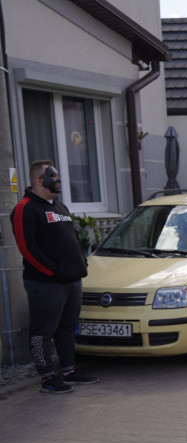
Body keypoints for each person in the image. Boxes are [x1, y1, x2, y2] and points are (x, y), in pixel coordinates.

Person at [11, 160, 97, 393]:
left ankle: (68, 370)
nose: (59, 181)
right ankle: (48, 378)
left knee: (67, 327)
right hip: (45, 283)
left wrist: (81, 262)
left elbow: (72, 239)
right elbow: (27, 248)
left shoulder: (60, 207)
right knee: (42, 332)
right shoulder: (25, 208)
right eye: (54, 178)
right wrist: (53, 272)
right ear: (39, 181)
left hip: (71, 280)